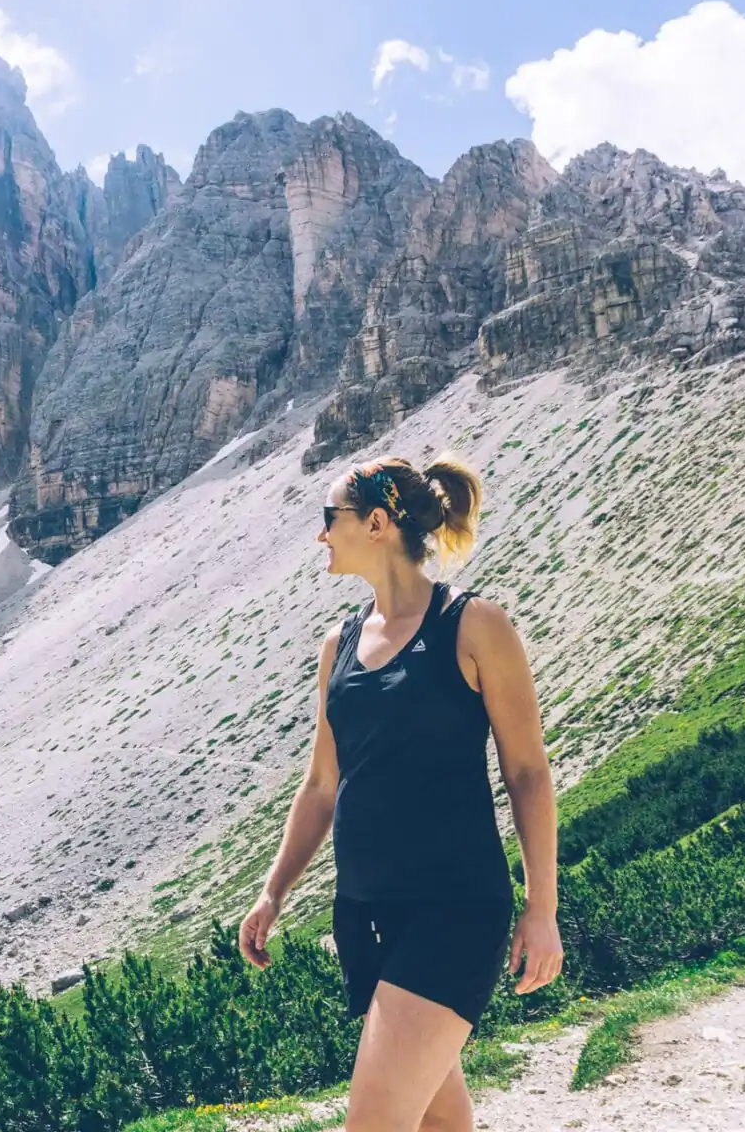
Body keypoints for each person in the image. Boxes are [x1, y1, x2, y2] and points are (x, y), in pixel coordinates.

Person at [237, 454, 561, 1132]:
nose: (322, 536)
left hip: (452, 911)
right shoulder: (341, 644)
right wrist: (274, 891)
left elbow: (528, 771)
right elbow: (323, 784)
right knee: (438, 1125)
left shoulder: (475, 626)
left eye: (332, 520)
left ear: (378, 523)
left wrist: (542, 910)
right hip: (364, 914)